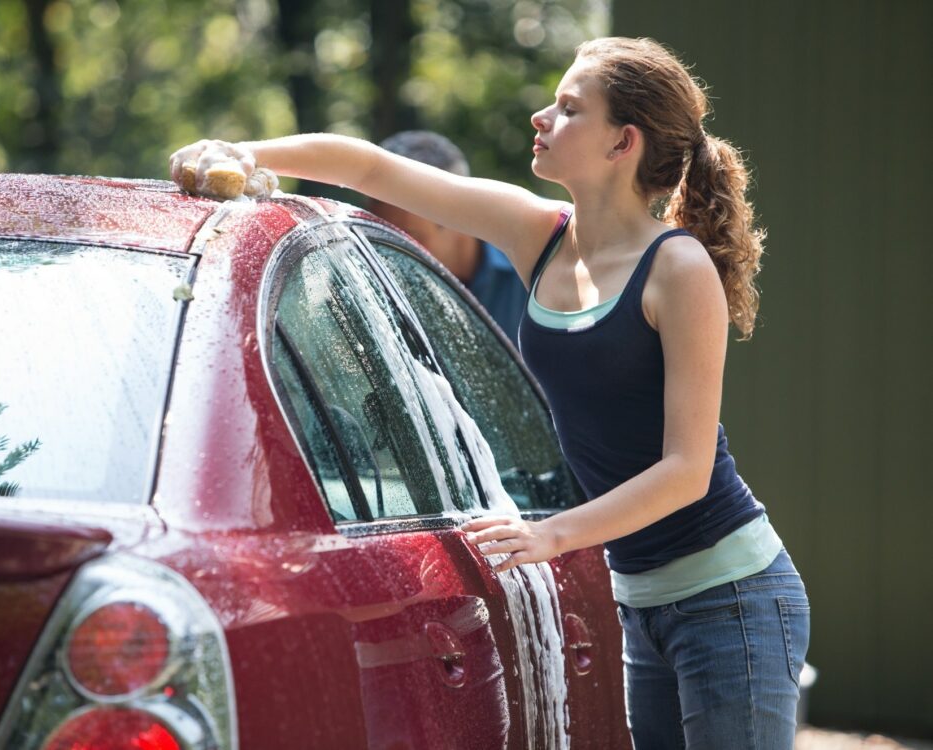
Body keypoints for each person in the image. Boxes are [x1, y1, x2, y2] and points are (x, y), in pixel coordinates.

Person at [169, 35, 809, 749]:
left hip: (730, 599)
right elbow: (369, 165)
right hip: (641, 599)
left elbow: (686, 473)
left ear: (622, 143)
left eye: (569, 108)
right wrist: (238, 151)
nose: (542, 116)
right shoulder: (539, 234)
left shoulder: (677, 267)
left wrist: (550, 535)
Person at [370, 130, 528, 344]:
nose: (387, 256)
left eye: (409, 238)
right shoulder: (372, 284)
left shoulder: (537, 258)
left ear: (461, 217)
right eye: (379, 237)